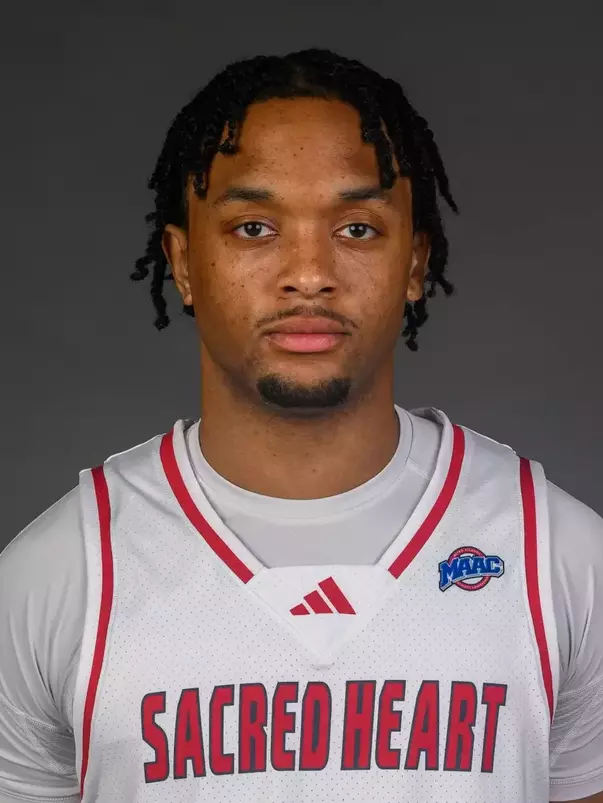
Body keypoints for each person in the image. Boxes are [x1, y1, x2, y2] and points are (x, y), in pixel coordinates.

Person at [0, 48, 601, 803]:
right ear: (183, 261)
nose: (308, 271)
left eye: (355, 228)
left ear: (414, 263)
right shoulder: (57, 575)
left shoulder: (560, 555)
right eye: (254, 227)